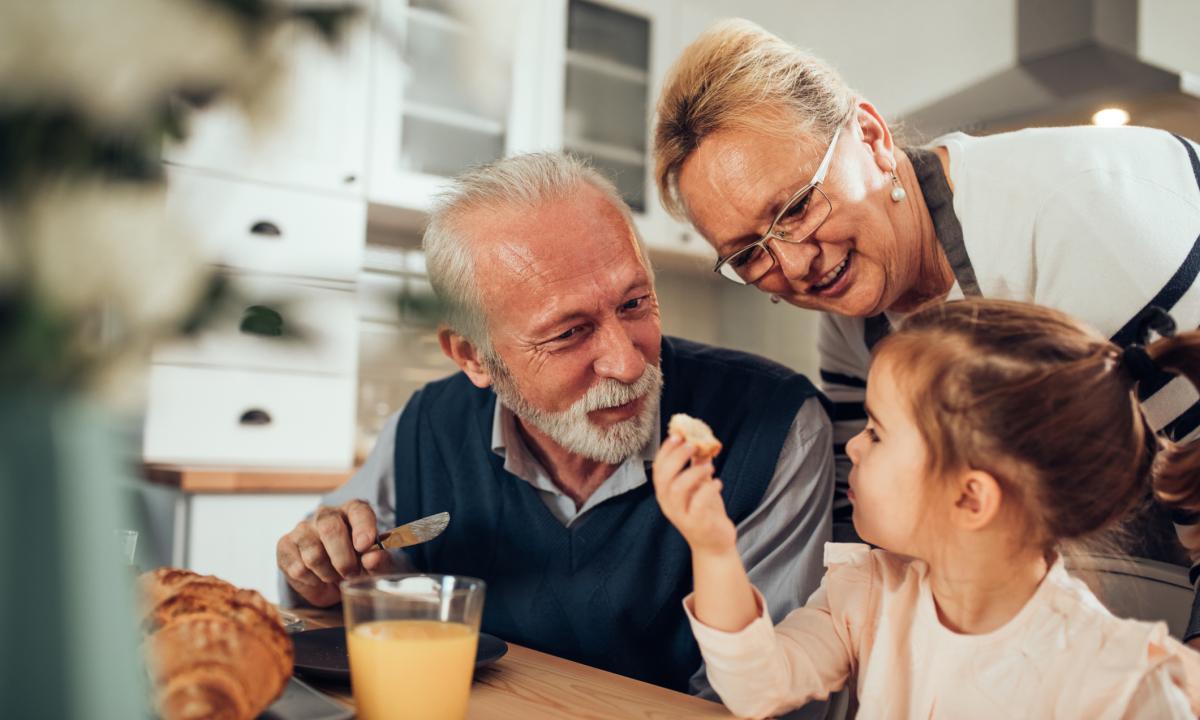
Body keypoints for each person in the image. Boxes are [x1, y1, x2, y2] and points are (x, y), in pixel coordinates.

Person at [652, 16, 1200, 634]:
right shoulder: (858, 321)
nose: (796, 264)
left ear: (871, 136)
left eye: (798, 206)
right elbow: (872, 515)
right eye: (750, 253)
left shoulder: (1082, 222)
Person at [274, 152, 835, 701]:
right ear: (472, 355)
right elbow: (324, 598)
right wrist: (317, 571)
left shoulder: (777, 427)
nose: (628, 362)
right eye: (569, 333)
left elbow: (767, 699)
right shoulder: (426, 427)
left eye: (635, 303)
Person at [654, 298, 1200, 719]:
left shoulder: (1118, 681)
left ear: (970, 497)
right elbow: (758, 687)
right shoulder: (866, 592)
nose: (853, 447)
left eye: (877, 432)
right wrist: (713, 548)